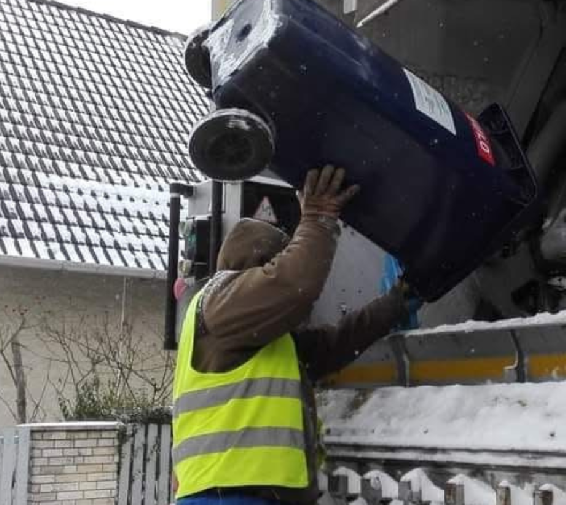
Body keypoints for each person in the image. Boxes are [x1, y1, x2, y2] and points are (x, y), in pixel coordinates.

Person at [172, 165, 414, 504]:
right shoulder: (220, 302)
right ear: (257, 265)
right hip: (228, 496)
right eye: (274, 262)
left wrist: (397, 302)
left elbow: (334, 344)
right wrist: (318, 217)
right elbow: (292, 285)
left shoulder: (259, 336)